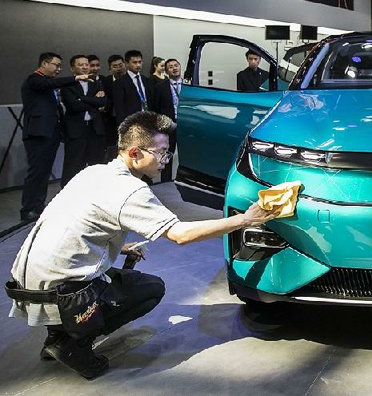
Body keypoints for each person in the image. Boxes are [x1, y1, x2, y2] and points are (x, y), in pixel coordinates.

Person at [7, 111, 278, 380]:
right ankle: (72, 344)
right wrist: (244, 219)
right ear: (135, 152)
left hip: (26, 282)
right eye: (161, 152)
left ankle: (56, 333)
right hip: (62, 292)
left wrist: (120, 248)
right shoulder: (130, 191)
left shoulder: (93, 172)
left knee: (118, 278)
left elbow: (69, 222)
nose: (165, 160)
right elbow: (180, 234)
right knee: (149, 289)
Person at [19, 54, 93, 222]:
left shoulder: (47, 83)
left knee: (44, 172)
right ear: (44, 64)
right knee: (37, 172)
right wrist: (76, 78)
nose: (59, 69)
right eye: (56, 65)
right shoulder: (34, 80)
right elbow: (50, 83)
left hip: (50, 133)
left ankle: (38, 205)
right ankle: (28, 209)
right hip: (37, 133)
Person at [61, 55, 107, 188]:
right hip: (76, 131)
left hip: (95, 129)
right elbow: (74, 106)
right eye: (81, 65)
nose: (85, 67)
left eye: (87, 64)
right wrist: (94, 102)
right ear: (72, 68)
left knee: (97, 166)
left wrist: (82, 99)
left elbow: (103, 102)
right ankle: (68, 195)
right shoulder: (67, 84)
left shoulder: (96, 82)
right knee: (73, 166)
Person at [152, 59, 182, 182]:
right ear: (166, 70)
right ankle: (165, 180)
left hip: (186, 124)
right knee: (168, 152)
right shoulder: (160, 87)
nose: (174, 68)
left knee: (189, 153)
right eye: (170, 67)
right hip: (169, 124)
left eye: (176, 65)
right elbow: (155, 108)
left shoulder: (189, 85)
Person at [113, 50, 154, 126]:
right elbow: (119, 108)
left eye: (140, 62)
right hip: (132, 123)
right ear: (127, 63)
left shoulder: (146, 80)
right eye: (134, 62)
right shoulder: (120, 82)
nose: (138, 65)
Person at [102, 54, 128, 160]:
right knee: (111, 148)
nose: (118, 69)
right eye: (115, 66)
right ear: (109, 69)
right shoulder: (105, 82)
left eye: (120, 65)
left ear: (125, 65)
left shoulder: (131, 80)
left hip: (128, 118)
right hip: (111, 120)